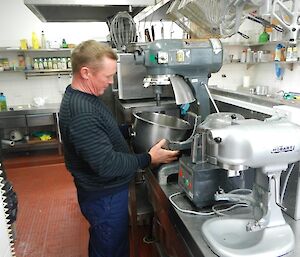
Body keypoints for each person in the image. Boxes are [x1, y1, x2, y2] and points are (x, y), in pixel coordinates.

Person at [59, 40, 179, 257]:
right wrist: (148, 158)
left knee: (110, 243)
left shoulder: (85, 97)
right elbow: (107, 165)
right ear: (85, 72)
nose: (110, 81)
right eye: (107, 76)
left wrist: (129, 130)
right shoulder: (81, 112)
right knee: (109, 248)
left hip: (105, 194)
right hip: (104, 197)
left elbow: (101, 132)